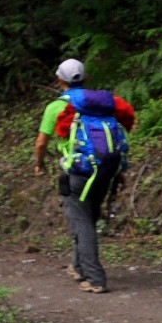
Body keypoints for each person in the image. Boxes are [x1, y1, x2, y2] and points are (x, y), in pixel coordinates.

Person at [33, 57, 136, 293]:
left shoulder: (56, 107)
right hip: (105, 167)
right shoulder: (103, 104)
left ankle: (95, 277)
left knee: (82, 221)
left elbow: (41, 143)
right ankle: (79, 266)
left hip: (79, 171)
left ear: (60, 80)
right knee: (87, 216)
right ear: (85, 79)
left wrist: (39, 164)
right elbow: (124, 125)